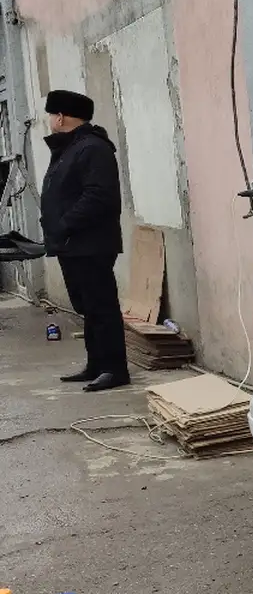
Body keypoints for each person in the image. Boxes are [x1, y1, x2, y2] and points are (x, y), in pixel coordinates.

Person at [40, 90, 128, 392]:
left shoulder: (92, 148)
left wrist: (64, 224)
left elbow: (99, 196)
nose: (50, 120)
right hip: (71, 244)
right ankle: (96, 364)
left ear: (61, 117)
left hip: (90, 243)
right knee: (87, 307)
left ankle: (115, 369)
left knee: (101, 306)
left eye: (52, 114)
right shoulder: (71, 147)